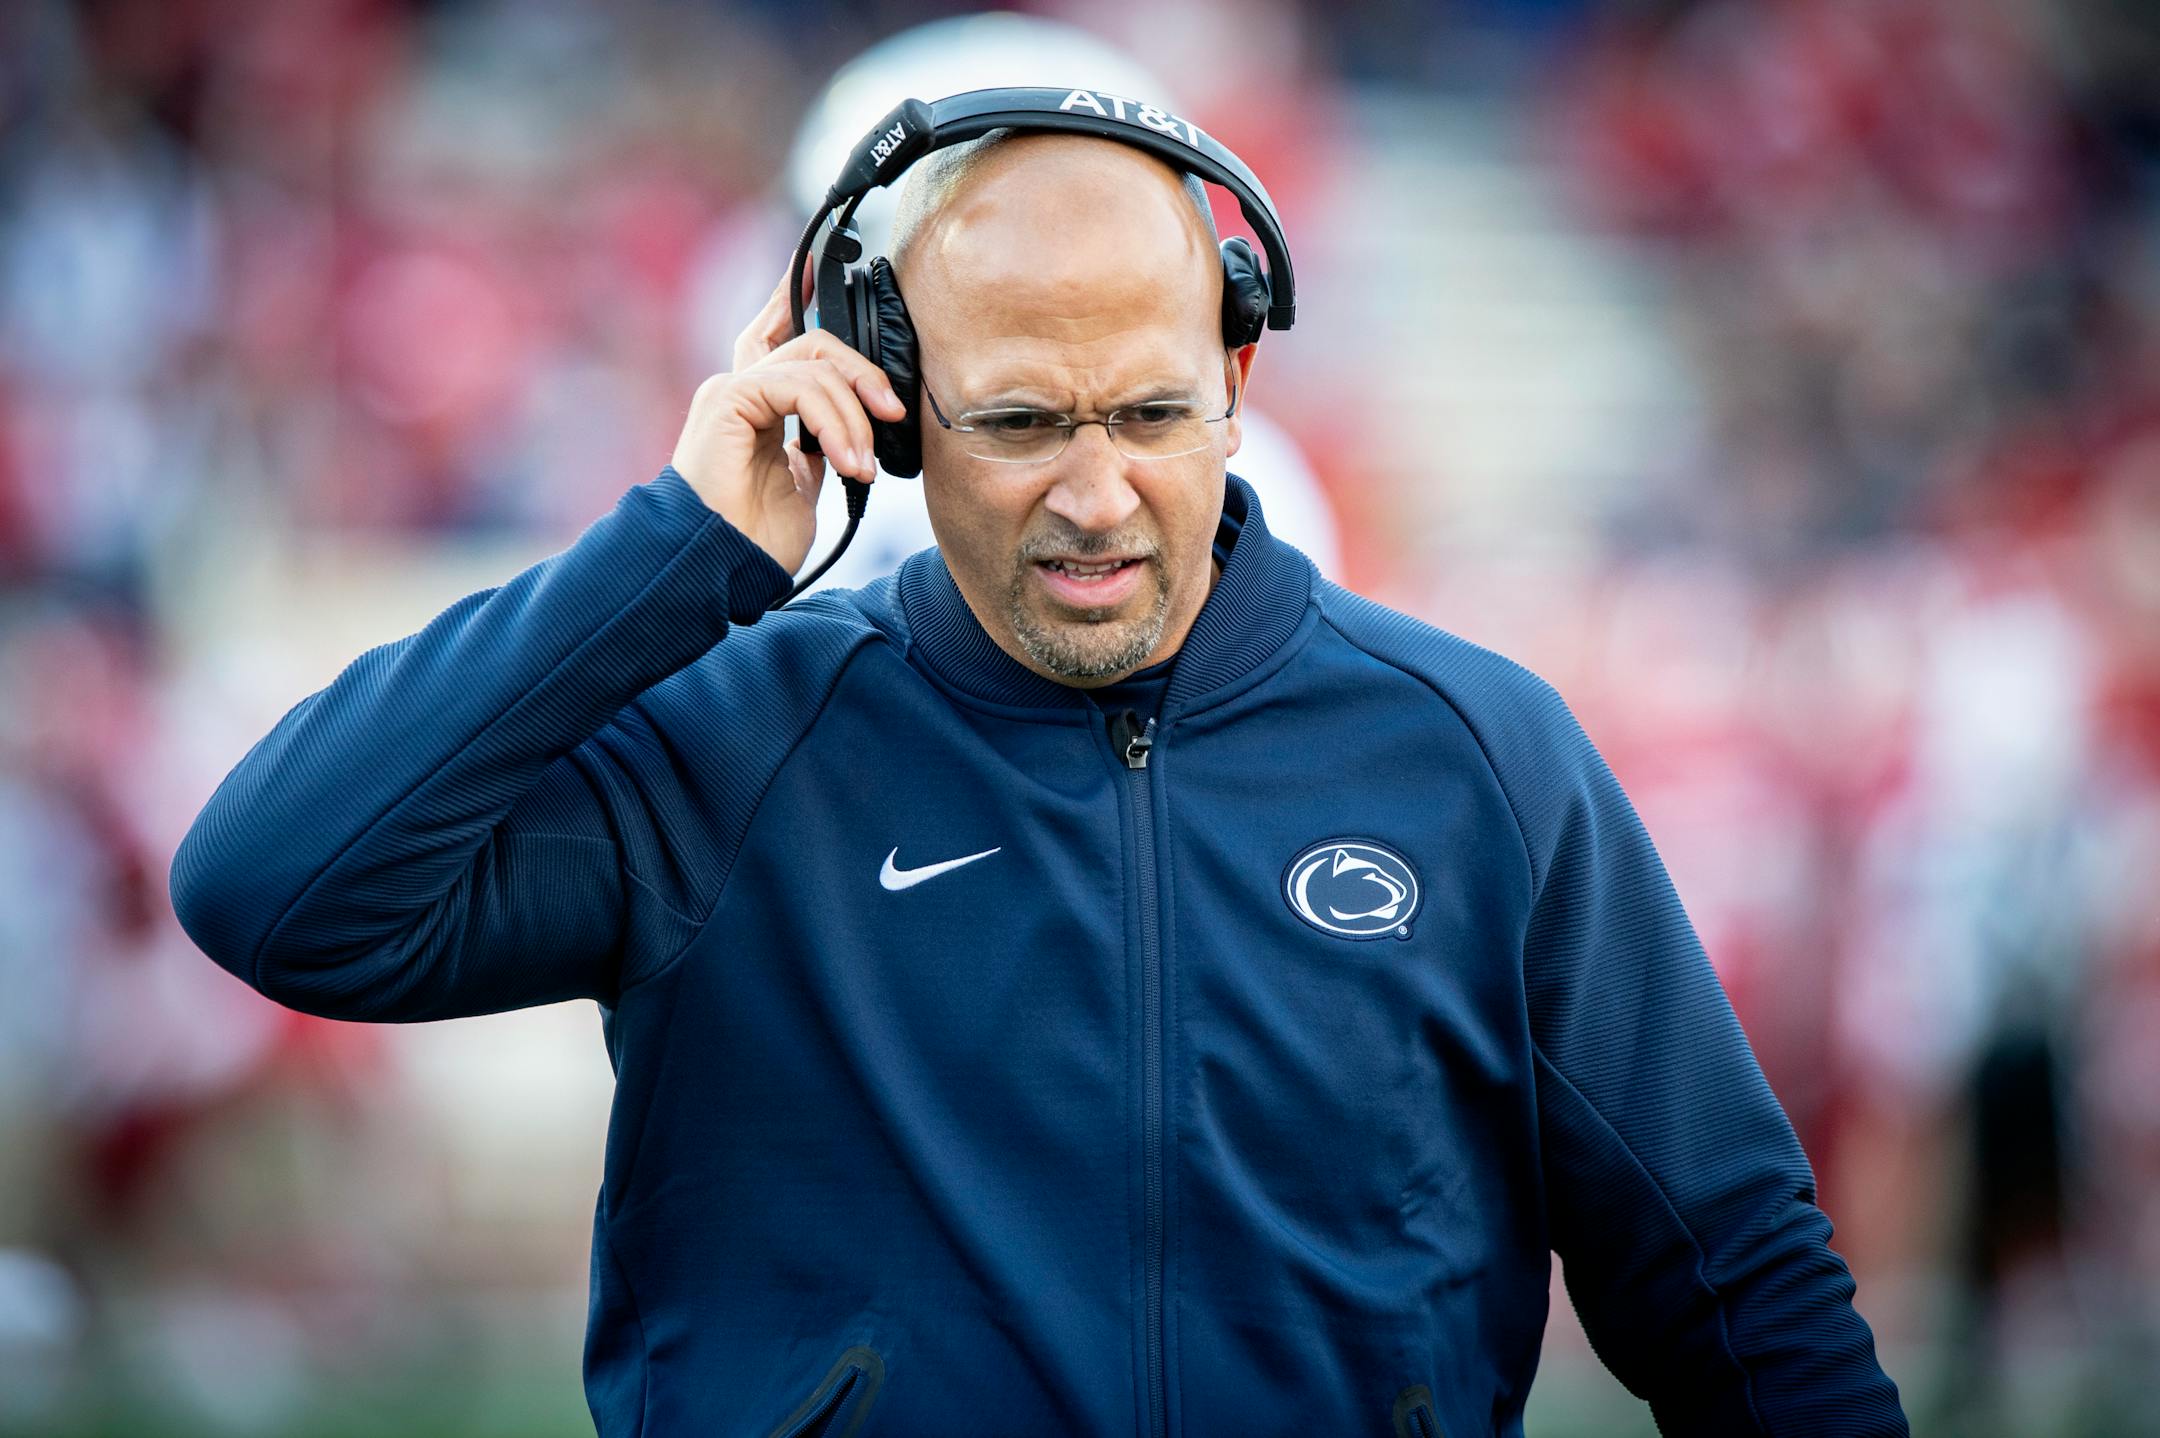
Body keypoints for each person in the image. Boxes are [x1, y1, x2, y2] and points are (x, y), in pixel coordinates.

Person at [170, 93, 1908, 1437]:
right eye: (1016, 422)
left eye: (1149, 413)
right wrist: (681, 549)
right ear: (897, 405)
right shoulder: (739, 738)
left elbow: (1735, 1284)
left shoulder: (1476, 755)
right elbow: (276, 889)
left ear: (1237, 374)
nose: (1095, 493)